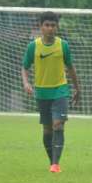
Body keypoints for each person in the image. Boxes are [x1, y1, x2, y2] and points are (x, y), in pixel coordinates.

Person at [22, 11, 81, 173]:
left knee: (58, 125)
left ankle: (56, 164)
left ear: (57, 27)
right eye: (47, 25)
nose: (50, 28)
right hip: (42, 93)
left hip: (60, 90)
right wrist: (26, 83)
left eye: (53, 25)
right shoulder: (33, 46)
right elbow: (25, 67)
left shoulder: (63, 45)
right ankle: (52, 161)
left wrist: (77, 88)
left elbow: (70, 68)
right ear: (41, 27)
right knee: (47, 130)